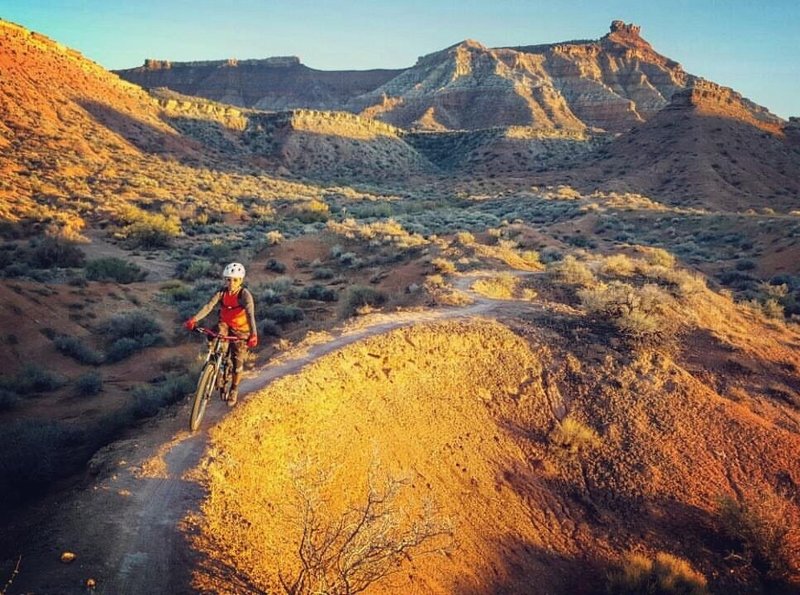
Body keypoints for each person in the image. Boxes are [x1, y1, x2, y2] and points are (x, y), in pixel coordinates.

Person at [184, 262, 257, 407]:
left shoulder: (244, 295)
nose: (231, 283)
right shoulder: (221, 293)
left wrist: (253, 334)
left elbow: (250, 314)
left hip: (241, 330)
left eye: (235, 280)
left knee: (237, 362)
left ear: (241, 280)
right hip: (224, 324)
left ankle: (234, 389)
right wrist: (194, 319)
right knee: (215, 333)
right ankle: (214, 363)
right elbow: (209, 306)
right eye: (228, 279)